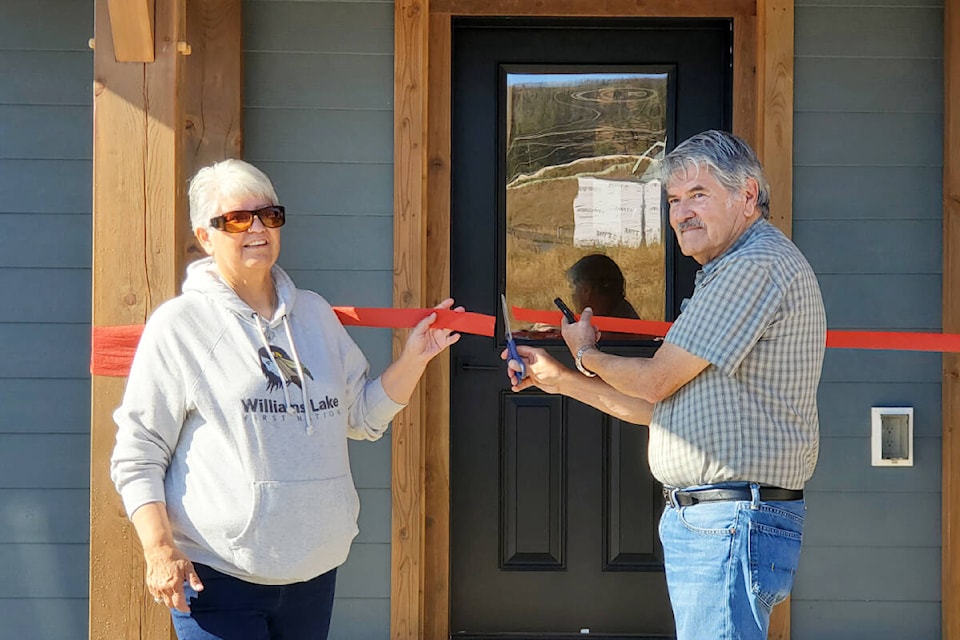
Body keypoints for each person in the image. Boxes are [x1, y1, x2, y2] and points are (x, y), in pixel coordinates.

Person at [110, 159, 462, 640]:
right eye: (237, 219)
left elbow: (361, 416)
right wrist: (158, 549)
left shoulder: (314, 315)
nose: (257, 228)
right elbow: (138, 453)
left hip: (312, 573)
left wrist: (416, 358)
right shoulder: (181, 326)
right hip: (218, 578)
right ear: (205, 236)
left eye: (269, 215)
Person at [503, 130, 826, 640]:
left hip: (729, 518)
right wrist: (562, 379)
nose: (681, 213)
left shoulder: (753, 266)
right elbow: (661, 412)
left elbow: (654, 382)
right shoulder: (730, 272)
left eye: (698, 195)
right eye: (674, 200)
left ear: (746, 195)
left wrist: (586, 352)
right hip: (723, 517)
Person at [566, 253, 640, 319]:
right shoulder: (621, 313)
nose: (573, 296)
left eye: (574, 288)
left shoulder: (614, 327)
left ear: (586, 290)